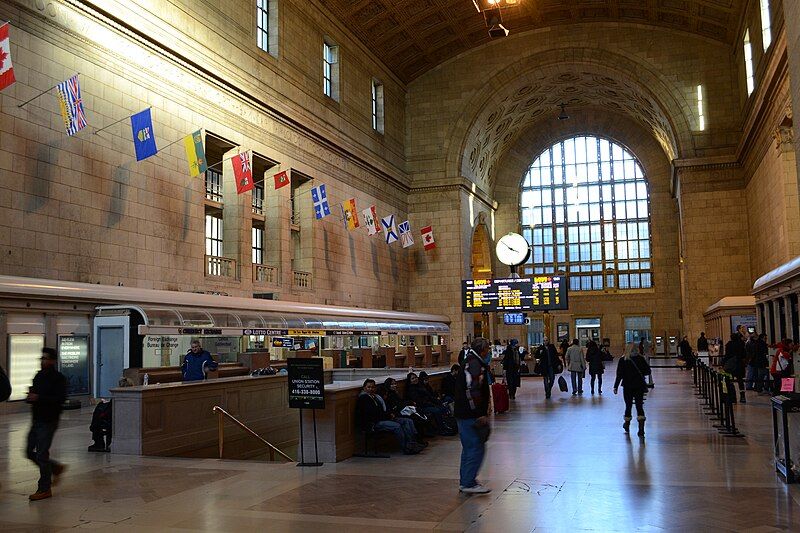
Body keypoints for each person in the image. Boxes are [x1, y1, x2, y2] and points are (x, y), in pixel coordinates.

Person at [26, 347, 67, 501]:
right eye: (42, 358)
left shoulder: (58, 378)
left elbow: (59, 399)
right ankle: (55, 467)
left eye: (46, 359)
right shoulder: (38, 376)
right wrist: (30, 397)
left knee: (42, 454)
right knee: (29, 451)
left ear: (53, 361)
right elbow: (35, 394)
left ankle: (44, 488)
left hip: (49, 420)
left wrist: (39, 398)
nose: (43, 361)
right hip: (36, 419)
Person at [454, 337, 491, 494]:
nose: (489, 351)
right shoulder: (474, 364)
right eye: (488, 348)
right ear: (482, 350)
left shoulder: (472, 361)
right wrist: (479, 413)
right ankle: (468, 482)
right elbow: (472, 390)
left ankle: (466, 480)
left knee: (470, 447)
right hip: (469, 414)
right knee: (475, 446)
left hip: (465, 412)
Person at [356, 379, 423, 455]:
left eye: (373, 387)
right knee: (397, 426)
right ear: (364, 388)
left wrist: (389, 415)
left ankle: (413, 444)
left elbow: (382, 410)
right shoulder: (363, 398)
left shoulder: (376, 397)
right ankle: (406, 448)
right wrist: (387, 416)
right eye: (369, 387)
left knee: (406, 421)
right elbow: (371, 414)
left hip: (383, 418)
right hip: (374, 423)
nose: (371, 389)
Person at [613, 343, 652, 437]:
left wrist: (616, 386)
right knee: (639, 406)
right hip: (639, 386)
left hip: (627, 386)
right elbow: (648, 371)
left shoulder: (623, 360)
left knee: (628, 405)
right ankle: (641, 429)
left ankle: (627, 425)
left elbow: (619, 374)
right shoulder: (640, 358)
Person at [723, 332, 747, 403]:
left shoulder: (729, 345)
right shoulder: (741, 344)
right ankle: (742, 397)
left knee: (730, 381)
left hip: (730, 366)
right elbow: (744, 355)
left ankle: (732, 397)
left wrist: (723, 364)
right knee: (740, 381)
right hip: (739, 365)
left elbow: (727, 355)